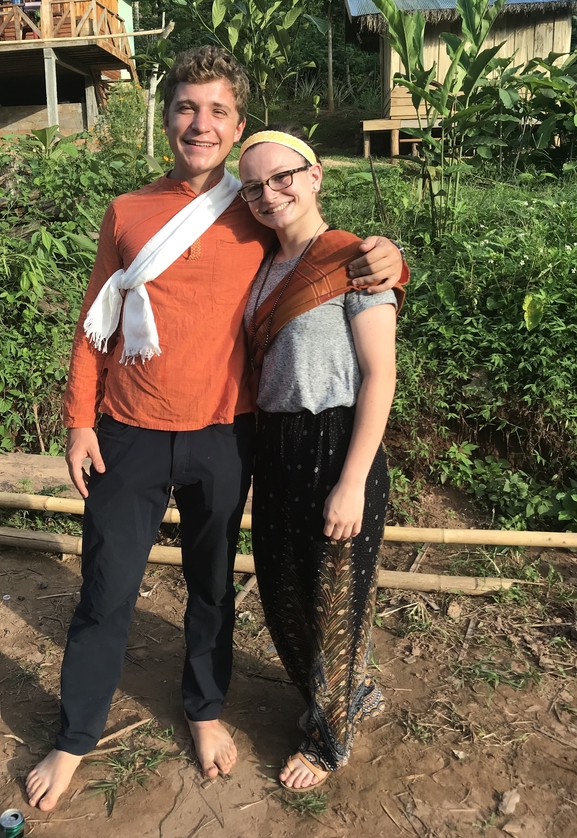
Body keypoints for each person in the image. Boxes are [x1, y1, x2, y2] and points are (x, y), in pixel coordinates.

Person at [26, 47, 406, 812]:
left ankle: (203, 710)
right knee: (105, 591)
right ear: (167, 118)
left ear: (237, 126)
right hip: (128, 432)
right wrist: (78, 422)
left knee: (211, 588)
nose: (200, 124)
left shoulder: (257, 211)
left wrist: (393, 257)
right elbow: (95, 323)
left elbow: (329, 261)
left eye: (218, 111)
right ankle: (75, 736)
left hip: (227, 438)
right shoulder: (127, 212)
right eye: (186, 108)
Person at [239, 126, 402, 791]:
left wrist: (353, 481)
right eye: (254, 186)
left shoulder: (353, 260)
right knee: (283, 591)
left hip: (336, 443)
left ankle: (327, 743)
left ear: (315, 176)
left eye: (282, 177)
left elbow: (380, 375)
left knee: (334, 599)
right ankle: (349, 693)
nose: (269, 194)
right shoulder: (261, 265)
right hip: (275, 444)